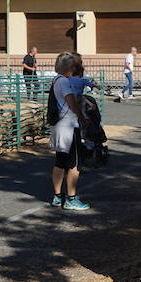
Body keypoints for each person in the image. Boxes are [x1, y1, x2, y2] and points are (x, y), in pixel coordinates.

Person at [48, 51, 89, 210]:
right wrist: (82, 117)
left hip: (59, 126)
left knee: (60, 162)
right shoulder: (64, 82)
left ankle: (57, 196)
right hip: (70, 127)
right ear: (69, 66)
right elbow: (72, 103)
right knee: (74, 164)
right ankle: (71, 198)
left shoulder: (55, 80)